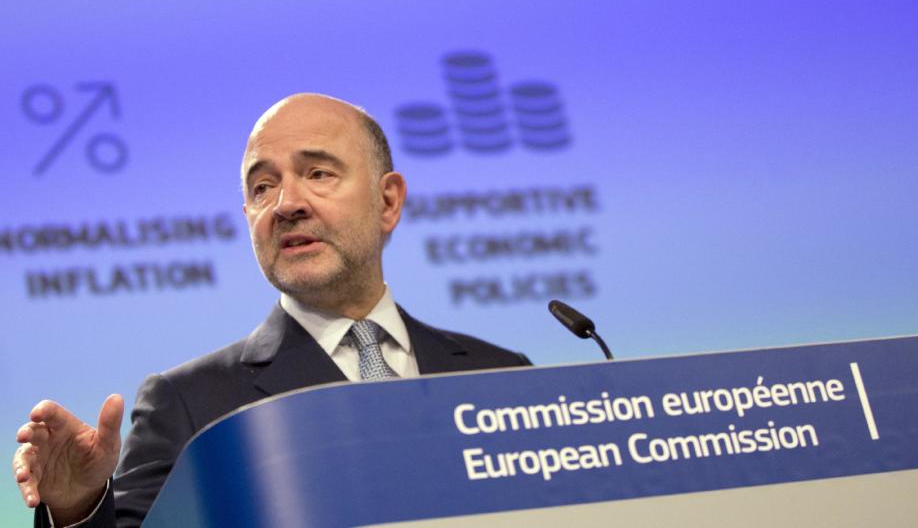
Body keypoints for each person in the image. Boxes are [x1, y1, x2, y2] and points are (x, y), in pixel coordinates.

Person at [12, 94, 530, 527]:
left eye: (319, 173)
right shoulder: (190, 405)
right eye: (262, 187)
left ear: (388, 201)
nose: (286, 204)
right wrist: (79, 506)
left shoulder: (504, 377)